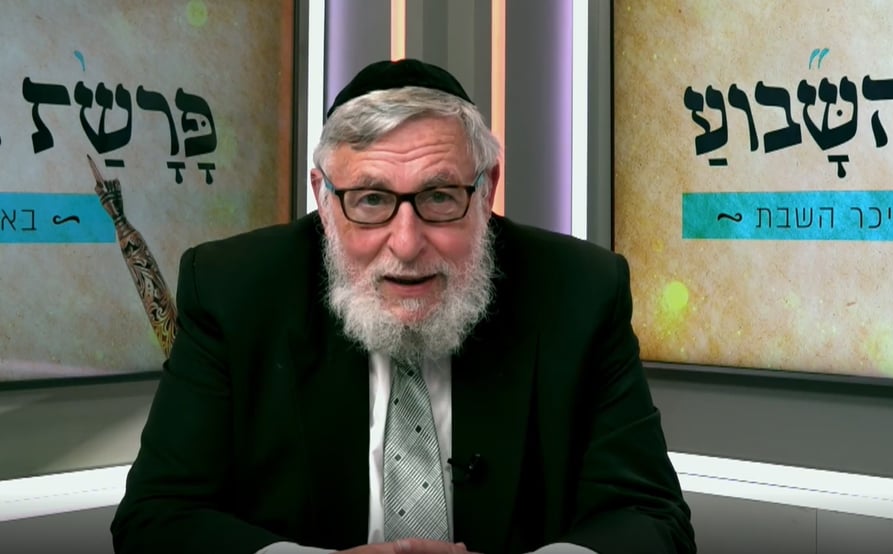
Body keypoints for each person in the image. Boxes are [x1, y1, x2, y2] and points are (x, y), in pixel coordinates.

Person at [111, 58, 696, 554]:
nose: (407, 243)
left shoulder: (581, 291)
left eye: (440, 196)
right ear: (323, 198)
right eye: (371, 200)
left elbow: (651, 518)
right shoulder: (233, 289)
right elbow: (157, 516)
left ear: (487, 189)